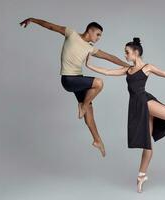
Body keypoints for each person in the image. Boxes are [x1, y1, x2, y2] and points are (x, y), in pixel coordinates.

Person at [85, 37, 165, 192]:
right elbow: (108, 72)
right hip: (136, 107)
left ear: (136, 52)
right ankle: (141, 175)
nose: (125, 55)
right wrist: (89, 65)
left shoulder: (147, 67)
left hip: (145, 102)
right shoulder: (127, 70)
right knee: (147, 145)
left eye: (127, 52)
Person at [19, 18, 130, 157]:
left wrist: (129, 66)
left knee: (89, 109)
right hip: (69, 79)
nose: (99, 38)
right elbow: (51, 26)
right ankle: (83, 106)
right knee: (99, 83)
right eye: (98, 34)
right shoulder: (71, 34)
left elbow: (110, 57)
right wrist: (32, 20)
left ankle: (97, 140)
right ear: (90, 30)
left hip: (78, 79)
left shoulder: (90, 48)